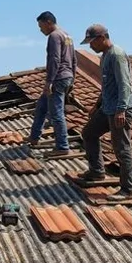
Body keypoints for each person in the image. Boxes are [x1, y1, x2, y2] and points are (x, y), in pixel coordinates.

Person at [79, 24, 132, 200]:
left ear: (102, 38)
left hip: (122, 108)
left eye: (92, 42)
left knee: (121, 147)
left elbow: (124, 85)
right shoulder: (104, 56)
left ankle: (127, 190)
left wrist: (121, 110)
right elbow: (107, 86)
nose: (90, 46)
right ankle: (97, 171)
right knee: (89, 133)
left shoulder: (117, 55)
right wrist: (97, 105)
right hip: (108, 107)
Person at [28, 11, 76, 157]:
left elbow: (54, 59)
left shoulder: (54, 36)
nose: (40, 30)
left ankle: (62, 146)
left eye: (41, 26)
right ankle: (34, 137)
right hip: (67, 76)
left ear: (48, 22)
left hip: (58, 78)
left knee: (56, 113)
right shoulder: (67, 35)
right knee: (42, 105)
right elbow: (74, 59)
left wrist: (49, 82)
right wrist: (72, 78)